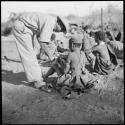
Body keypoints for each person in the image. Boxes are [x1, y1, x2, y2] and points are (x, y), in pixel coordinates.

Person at [9, 12, 69, 90]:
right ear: (59, 24)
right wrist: (51, 57)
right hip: (22, 28)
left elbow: (40, 38)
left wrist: (53, 52)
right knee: (29, 55)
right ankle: (37, 81)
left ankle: (35, 75)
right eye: (62, 29)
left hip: (27, 29)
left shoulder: (49, 20)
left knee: (33, 53)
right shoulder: (50, 22)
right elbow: (43, 43)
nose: (60, 32)